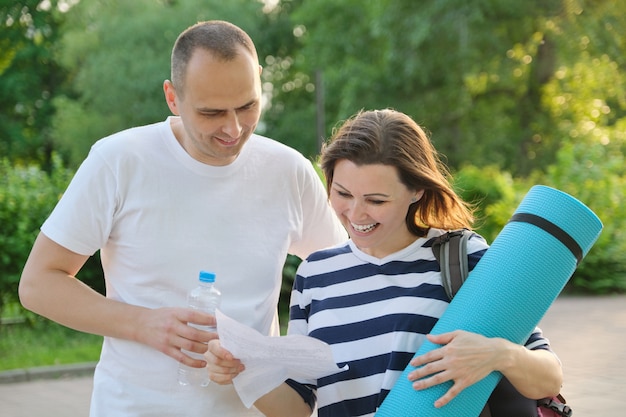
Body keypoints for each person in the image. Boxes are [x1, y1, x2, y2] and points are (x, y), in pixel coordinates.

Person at [18, 20, 347, 417]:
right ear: (172, 97)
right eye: (211, 112)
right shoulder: (118, 161)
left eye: (248, 105)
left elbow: (344, 284)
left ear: (259, 80)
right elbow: (38, 284)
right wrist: (143, 324)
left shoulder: (288, 171)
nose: (234, 128)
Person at [205, 109, 563, 417]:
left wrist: (496, 354)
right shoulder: (315, 274)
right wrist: (244, 372)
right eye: (342, 193)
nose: (356, 213)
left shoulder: (461, 257)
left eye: (376, 200)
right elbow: (300, 404)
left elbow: (549, 375)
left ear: (416, 190)